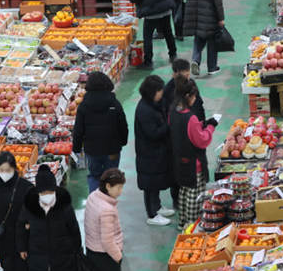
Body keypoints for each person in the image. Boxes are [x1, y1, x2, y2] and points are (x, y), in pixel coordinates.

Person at [16, 165, 82, 271]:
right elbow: (21, 227)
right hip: (38, 254)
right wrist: (22, 247)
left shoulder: (64, 205)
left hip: (62, 253)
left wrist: (77, 248)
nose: (47, 195)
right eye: (44, 192)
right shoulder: (30, 206)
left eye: (50, 191)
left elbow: (74, 228)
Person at [84, 169, 135, 271]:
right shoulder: (107, 209)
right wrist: (118, 256)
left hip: (92, 251)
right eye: (118, 187)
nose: (120, 191)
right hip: (106, 255)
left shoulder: (93, 197)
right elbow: (107, 241)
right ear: (108, 186)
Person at [169, 77, 217, 230]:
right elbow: (202, 140)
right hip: (193, 163)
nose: (195, 99)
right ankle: (192, 226)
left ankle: (182, 222)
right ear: (188, 96)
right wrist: (210, 127)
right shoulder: (191, 118)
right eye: (194, 96)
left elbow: (185, 132)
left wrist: (202, 124)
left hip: (179, 159)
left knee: (184, 191)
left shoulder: (173, 111)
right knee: (194, 195)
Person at [72, 71, 128, 193]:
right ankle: (109, 201)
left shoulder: (83, 106)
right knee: (112, 177)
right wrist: (123, 141)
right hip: (112, 149)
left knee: (95, 176)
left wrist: (76, 148)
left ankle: (95, 201)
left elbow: (78, 129)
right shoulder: (114, 103)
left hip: (93, 150)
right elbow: (123, 125)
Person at [135, 75, 175, 226]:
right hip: (148, 152)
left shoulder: (153, 104)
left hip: (157, 152)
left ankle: (157, 207)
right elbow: (153, 133)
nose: (162, 93)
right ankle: (151, 215)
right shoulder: (144, 110)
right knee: (149, 184)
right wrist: (169, 125)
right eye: (159, 90)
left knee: (155, 181)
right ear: (152, 92)